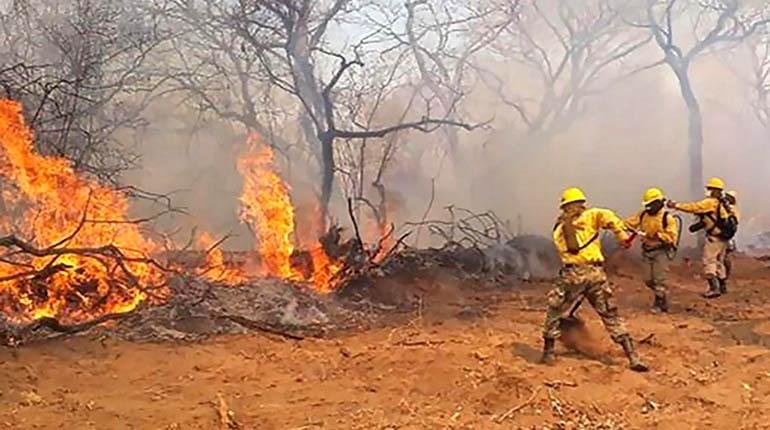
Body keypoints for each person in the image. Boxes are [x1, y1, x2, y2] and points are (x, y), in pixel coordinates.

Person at [541, 187, 649, 372]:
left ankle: (548, 353)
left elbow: (565, 252)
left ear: (564, 207)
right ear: (581, 203)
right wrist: (622, 237)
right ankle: (633, 357)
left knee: (555, 310)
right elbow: (612, 219)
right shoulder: (593, 215)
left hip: (572, 275)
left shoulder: (559, 229)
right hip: (596, 274)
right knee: (609, 314)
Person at [667, 177, 737, 298]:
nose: (708, 191)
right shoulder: (723, 203)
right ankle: (722, 285)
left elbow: (694, 207)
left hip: (714, 238)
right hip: (723, 238)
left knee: (709, 261)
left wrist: (675, 205)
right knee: (719, 261)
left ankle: (714, 288)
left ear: (715, 190)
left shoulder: (711, 202)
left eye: (709, 188)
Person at [624, 188, 679, 313]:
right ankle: (661, 296)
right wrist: (616, 225)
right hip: (647, 250)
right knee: (648, 279)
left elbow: (672, 237)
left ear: (658, 203)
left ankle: (660, 303)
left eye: (650, 205)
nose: (648, 208)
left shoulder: (667, 218)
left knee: (659, 279)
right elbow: (629, 223)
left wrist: (658, 235)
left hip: (661, 251)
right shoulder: (643, 215)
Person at [723, 190, 740, 286]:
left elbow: (734, 222)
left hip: (729, 235)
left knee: (725, 256)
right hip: (725, 234)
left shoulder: (732, 209)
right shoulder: (725, 208)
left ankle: (726, 274)